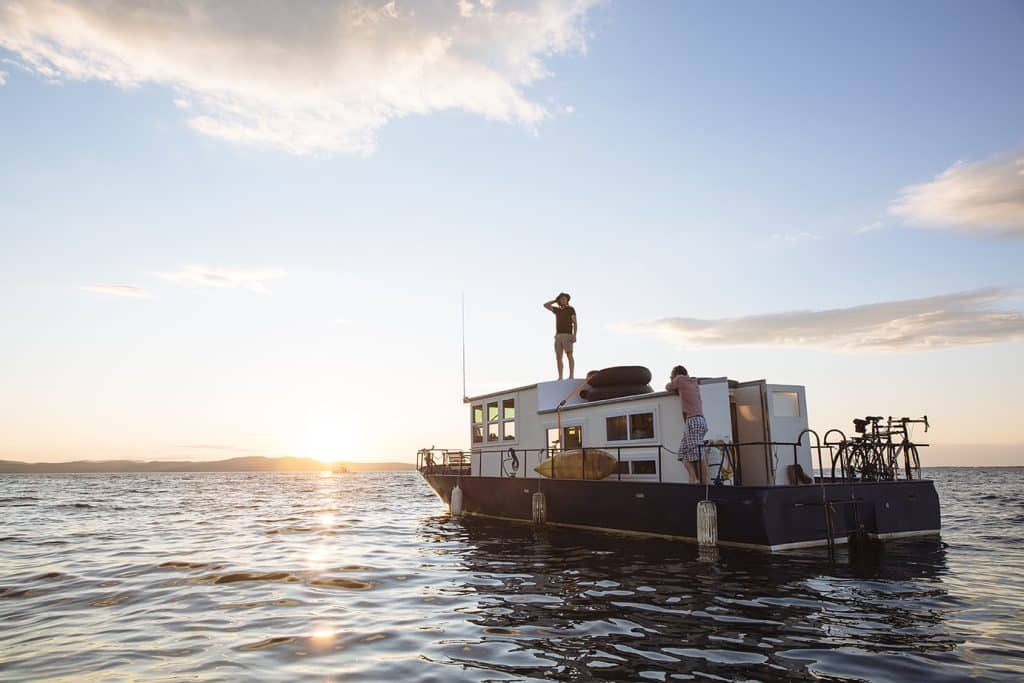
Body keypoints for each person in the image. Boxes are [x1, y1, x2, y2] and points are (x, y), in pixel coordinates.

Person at [666, 365, 708, 484]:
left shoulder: (679, 379)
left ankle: (705, 484)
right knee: (682, 453)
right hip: (700, 421)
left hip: (693, 420)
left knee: (698, 456)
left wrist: (672, 380)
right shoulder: (693, 382)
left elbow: (668, 387)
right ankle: (695, 479)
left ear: (675, 375)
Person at [543, 292, 577, 379]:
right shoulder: (557, 310)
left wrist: (574, 335)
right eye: (561, 299)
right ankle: (560, 377)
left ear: (567, 300)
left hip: (567, 335)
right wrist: (555, 300)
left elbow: (575, 323)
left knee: (569, 355)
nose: (563, 300)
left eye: (565, 299)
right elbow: (545, 305)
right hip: (558, 336)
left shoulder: (571, 309)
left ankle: (571, 375)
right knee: (558, 357)